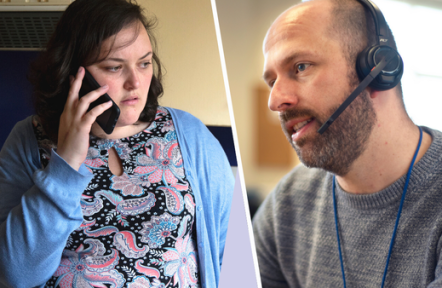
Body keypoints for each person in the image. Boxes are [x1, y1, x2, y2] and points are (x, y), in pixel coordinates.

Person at [0, 0, 234, 287]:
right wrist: (66, 165)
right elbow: (17, 274)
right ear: (73, 73)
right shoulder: (26, 140)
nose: (136, 82)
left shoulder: (189, 134)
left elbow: (230, 254)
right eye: (114, 67)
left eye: (144, 63)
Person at [253, 0, 442, 287]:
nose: (275, 101)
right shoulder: (287, 205)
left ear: (378, 70)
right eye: (272, 81)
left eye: (300, 67)